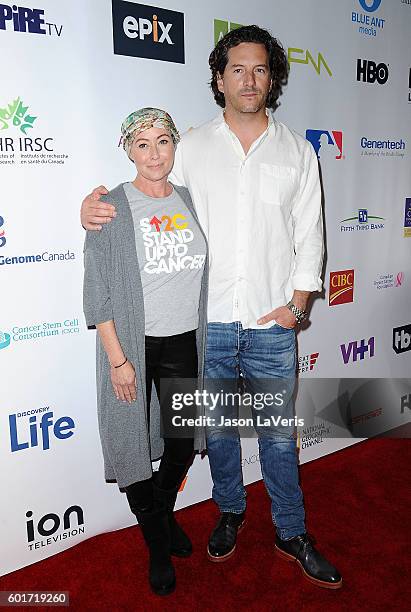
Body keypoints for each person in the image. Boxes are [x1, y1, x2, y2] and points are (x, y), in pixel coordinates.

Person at [81, 27, 342, 589]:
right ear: (219, 79)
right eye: (237, 69)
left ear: (273, 78)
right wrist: (90, 206)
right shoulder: (191, 147)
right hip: (209, 327)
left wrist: (297, 306)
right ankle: (230, 512)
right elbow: (145, 193)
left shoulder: (298, 151)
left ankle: (291, 530)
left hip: (271, 324)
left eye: (260, 69)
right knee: (218, 434)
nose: (249, 79)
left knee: (276, 435)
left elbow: (310, 235)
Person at [83, 107, 208, 596]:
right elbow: (98, 295)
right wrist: (118, 360)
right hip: (131, 346)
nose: (154, 153)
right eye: (142, 143)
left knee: (180, 441)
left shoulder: (191, 199)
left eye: (163, 140)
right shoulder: (111, 207)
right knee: (131, 444)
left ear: (175, 145)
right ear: (127, 150)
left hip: (184, 340)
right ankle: (157, 541)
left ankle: (159, 513)